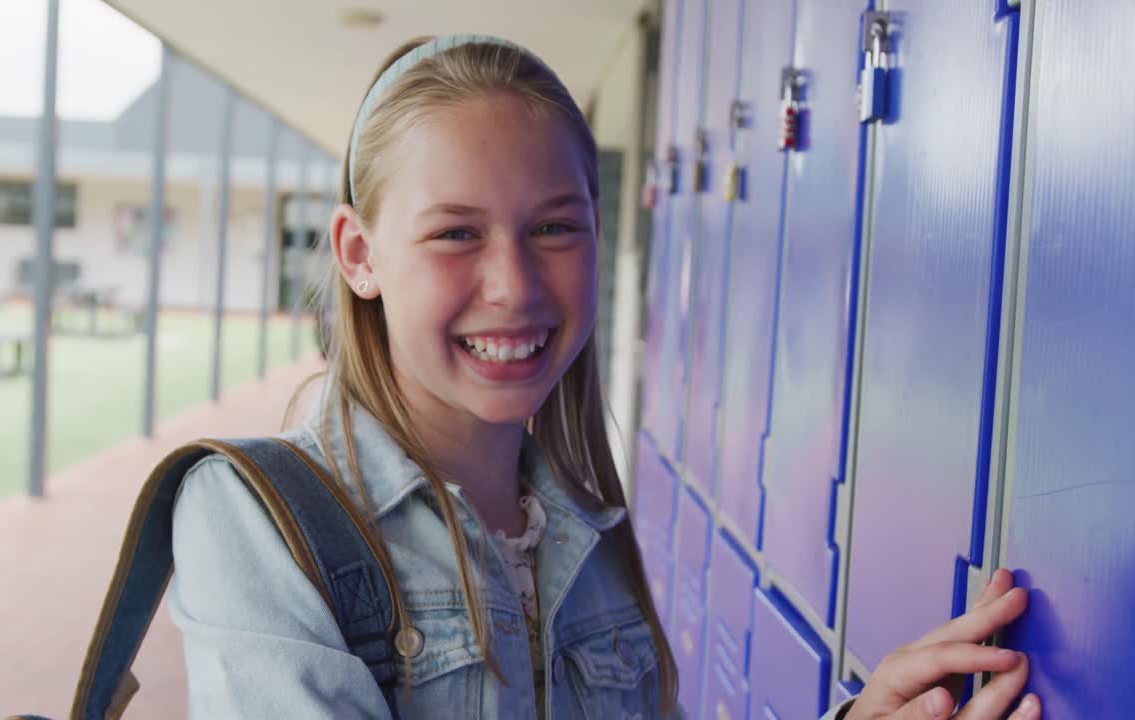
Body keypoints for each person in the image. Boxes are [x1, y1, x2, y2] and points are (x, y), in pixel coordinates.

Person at [166, 34, 1041, 719]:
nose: (513, 286)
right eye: (455, 233)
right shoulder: (260, 518)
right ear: (361, 256)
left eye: (554, 228)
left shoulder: (582, 528)